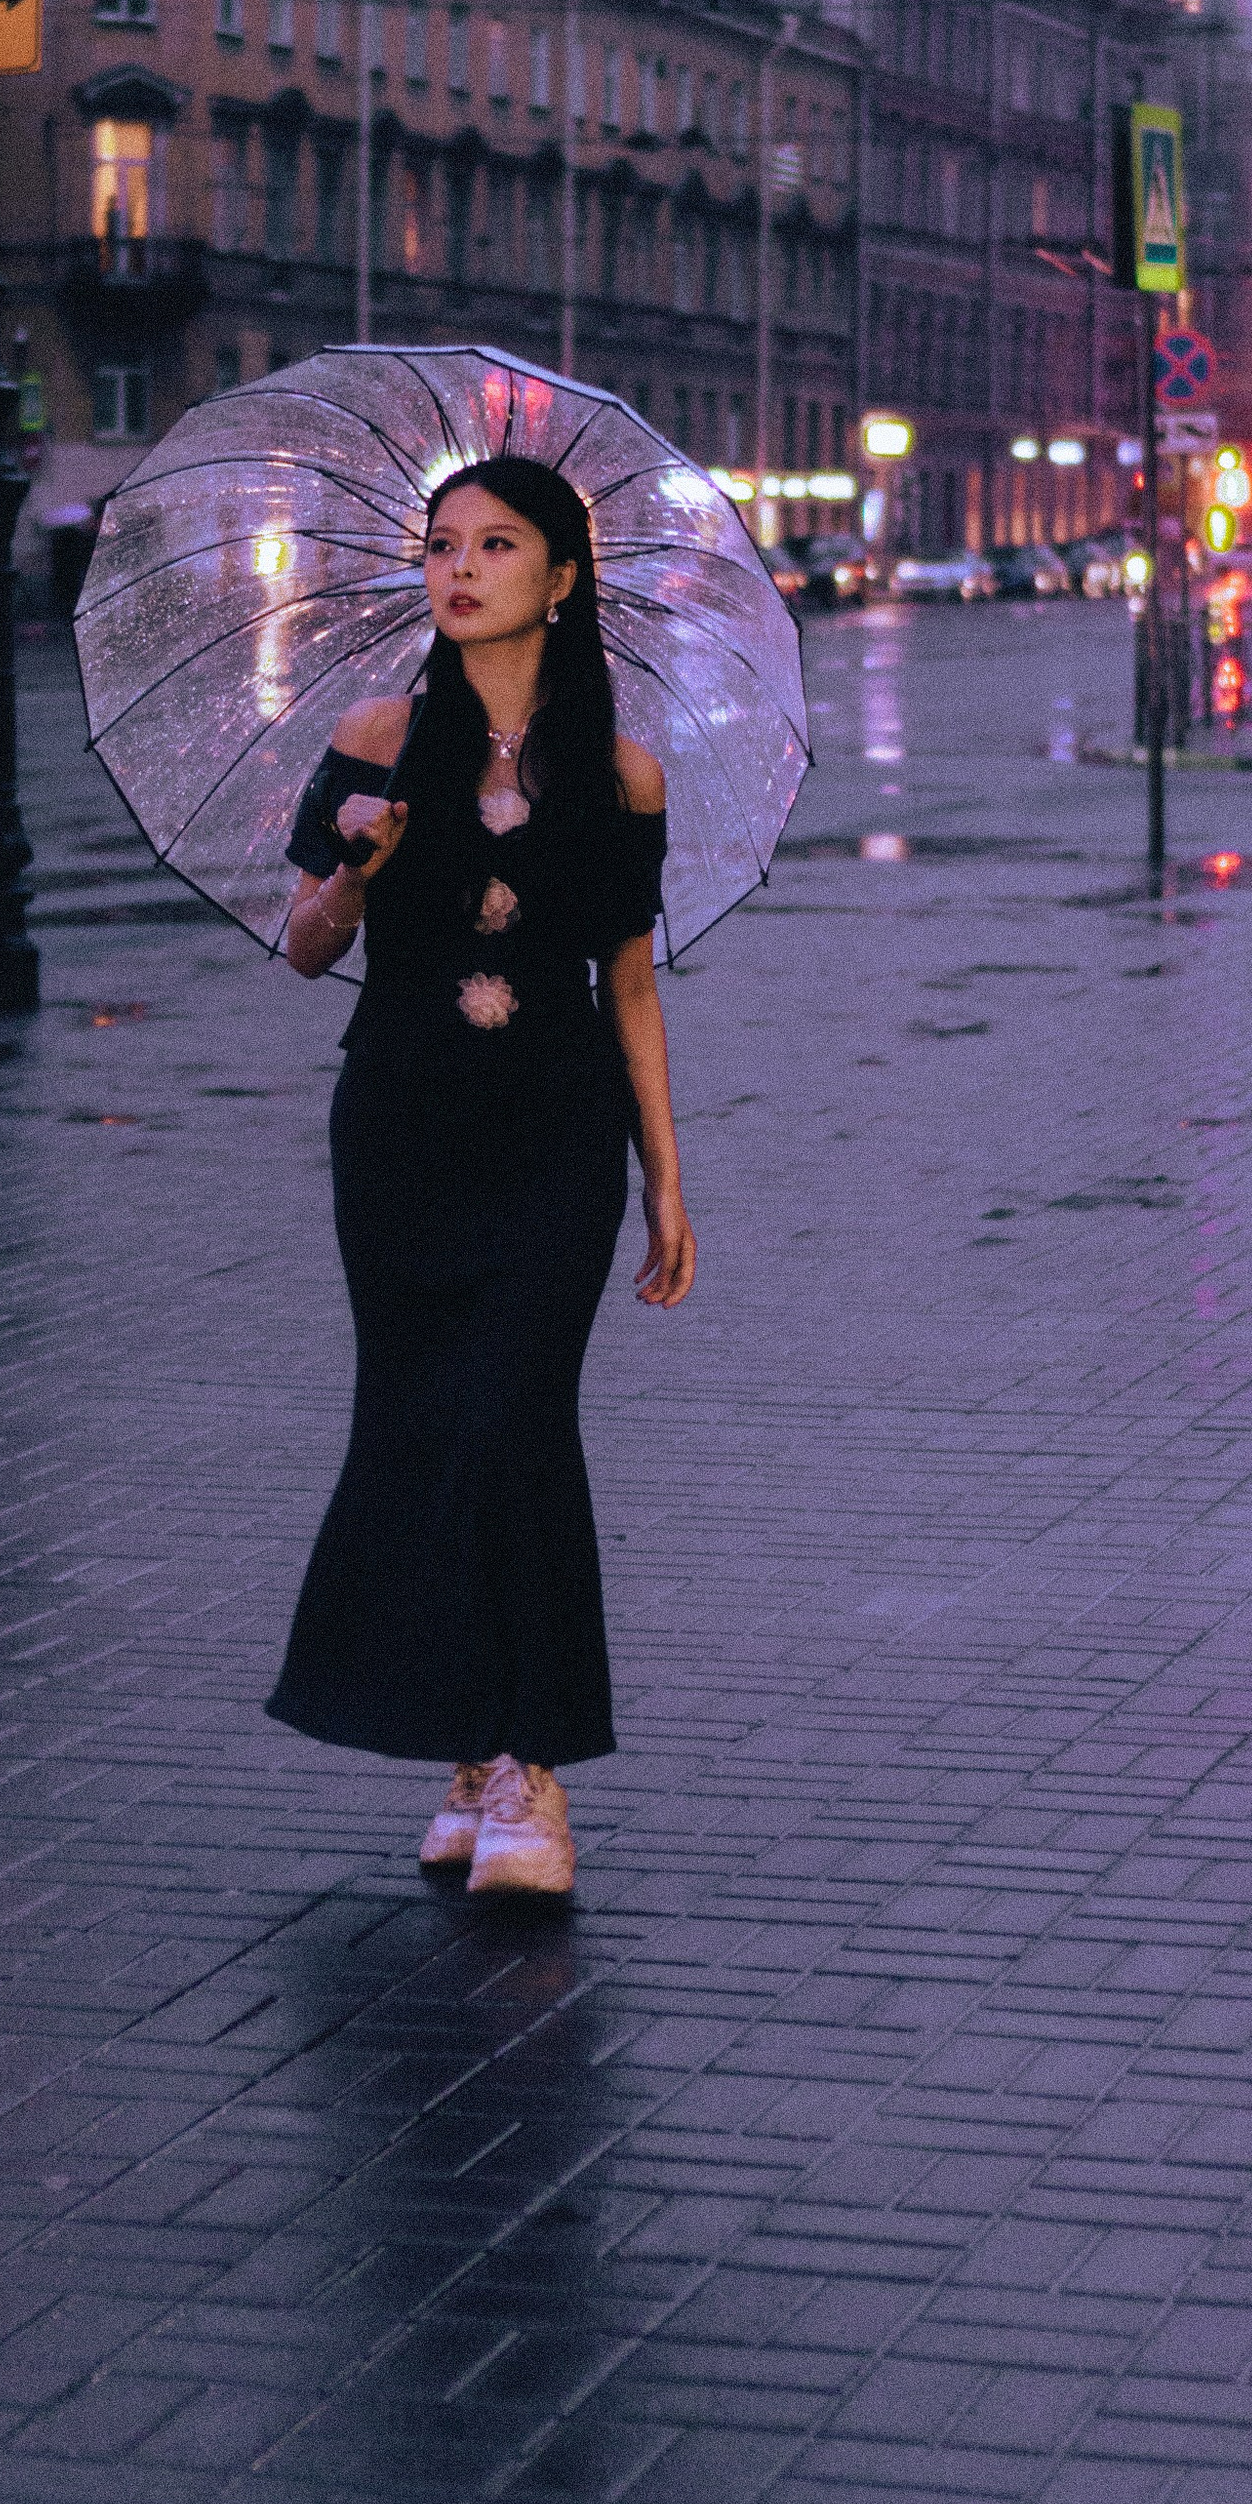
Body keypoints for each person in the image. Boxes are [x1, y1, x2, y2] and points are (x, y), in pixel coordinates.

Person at [269, 454, 695, 1899]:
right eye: (441, 545)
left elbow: (630, 987)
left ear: (563, 579)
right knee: (420, 1423)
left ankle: (532, 1772)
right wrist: (355, 873)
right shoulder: (376, 737)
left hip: (558, 1133)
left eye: (496, 545)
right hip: (401, 1130)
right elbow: (305, 949)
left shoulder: (623, 773)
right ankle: (468, 1755)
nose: (458, 569)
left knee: (515, 1416)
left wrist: (667, 1180)